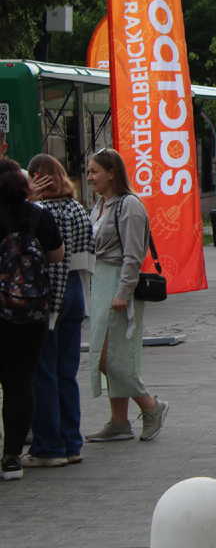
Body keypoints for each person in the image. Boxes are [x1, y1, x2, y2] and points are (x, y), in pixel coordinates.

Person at [83, 149, 168, 442]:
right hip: (102, 280)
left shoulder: (129, 205)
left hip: (119, 282)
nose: (89, 176)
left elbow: (133, 255)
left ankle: (151, 406)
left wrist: (123, 291)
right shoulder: (101, 205)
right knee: (107, 354)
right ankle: (119, 421)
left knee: (111, 358)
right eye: (89, 171)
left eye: (94, 171)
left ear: (111, 173)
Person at [24, 155, 92, 469]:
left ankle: (48, 446)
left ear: (37, 177)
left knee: (44, 373)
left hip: (49, 292)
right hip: (76, 292)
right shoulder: (78, 208)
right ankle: (72, 442)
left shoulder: (40, 211)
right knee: (67, 373)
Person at [0, 159, 64, 481]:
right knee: (21, 382)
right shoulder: (40, 215)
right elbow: (56, 255)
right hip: (31, 314)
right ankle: (12, 458)